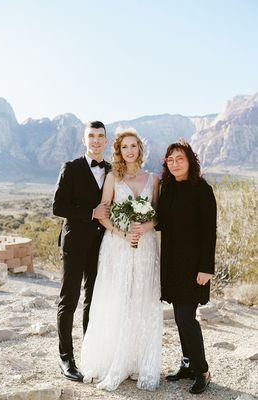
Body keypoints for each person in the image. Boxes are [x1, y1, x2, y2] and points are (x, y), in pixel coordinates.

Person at [80, 129, 163, 391]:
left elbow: (159, 214)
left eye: (133, 146)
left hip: (146, 246)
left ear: (140, 149)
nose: (129, 151)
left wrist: (146, 227)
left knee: (141, 298)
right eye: (125, 146)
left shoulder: (154, 178)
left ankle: (137, 361)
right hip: (118, 245)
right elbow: (103, 213)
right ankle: (111, 360)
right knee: (117, 298)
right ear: (119, 150)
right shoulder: (112, 177)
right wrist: (123, 233)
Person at [157, 139, 217, 395]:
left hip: (194, 265)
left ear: (190, 161)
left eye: (179, 158)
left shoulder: (202, 190)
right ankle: (187, 364)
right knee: (180, 320)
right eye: (170, 160)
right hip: (172, 263)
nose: (174, 163)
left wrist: (206, 267)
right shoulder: (168, 188)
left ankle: (202, 370)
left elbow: (209, 232)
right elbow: (161, 222)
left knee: (185, 317)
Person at [53, 121, 111, 381]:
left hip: (101, 245)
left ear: (106, 141)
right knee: (69, 300)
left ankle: (90, 355)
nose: (96, 140)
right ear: (84, 140)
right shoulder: (71, 168)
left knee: (93, 300)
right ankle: (66, 359)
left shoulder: (112, 170)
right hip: (75, 243)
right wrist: (91, 213)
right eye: (92, 136)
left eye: (101, 136)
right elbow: (58, 207)